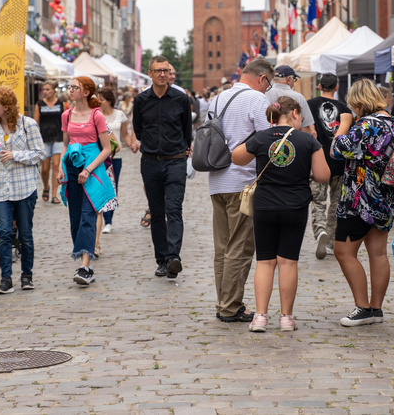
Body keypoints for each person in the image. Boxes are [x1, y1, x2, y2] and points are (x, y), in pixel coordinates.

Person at [232, 96, 330, 332]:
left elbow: (236, 157)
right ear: (295, 113)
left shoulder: (261, 137)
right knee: (288, 262)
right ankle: (286, 318)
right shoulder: (308, 140)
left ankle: (260, 317)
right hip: (294, 207)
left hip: (265, 206)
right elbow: (323, 175)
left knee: (264, 262)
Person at [206, 58, 273, 322]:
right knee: (241, 247)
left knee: (222, 247)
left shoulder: (218, 99)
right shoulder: (257, 100)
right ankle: (230, 307)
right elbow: (268, 138)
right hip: (243, 183)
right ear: (262, 79)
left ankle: (223, 301)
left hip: (217, 181)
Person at [332, 79, 394, 327]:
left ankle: (362, 307)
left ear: (359, 102)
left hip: (360, 198)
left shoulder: (365, 125)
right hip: (386, 196)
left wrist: (344, 124)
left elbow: (338, 150)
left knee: (343, 251)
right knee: (378, 253)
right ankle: (376, 308)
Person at [132, 56, 193, 279]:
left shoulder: (181, 99)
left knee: (174, 209)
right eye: (157, 71)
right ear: (150, 73)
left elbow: (187, 130)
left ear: (169, 73)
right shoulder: (141, 100)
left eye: (165, 70)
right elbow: (138, 130)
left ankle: (173, 257)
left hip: (176, 160)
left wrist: (185, 148)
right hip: (150, 162)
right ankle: (161, 260)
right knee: (157, 213)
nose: (162, 74)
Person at [57, 77, 116, 286]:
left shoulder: (96, 115)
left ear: (86, 92)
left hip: (92, 168)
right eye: (70, 87)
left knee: (88, 215)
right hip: (72, 167)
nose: (70, 90)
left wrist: (89, 170)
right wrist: (60, 168)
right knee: (74, 218)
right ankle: (83, 257)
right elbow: (65, 145)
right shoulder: (66, 115)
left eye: (75, 87)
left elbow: (107, 148)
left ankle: (85, 267)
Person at [0, 86, 46, 294]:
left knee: (25, 234)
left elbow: (40, 154)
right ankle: (6, 279)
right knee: (3, 232)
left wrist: (15, 155)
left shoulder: (27, 124)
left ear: (6, 107)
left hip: (24, 187)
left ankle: (27, 275)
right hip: (2, 188)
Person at [307, 73, 351, 259]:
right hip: (339, 162)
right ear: (336, 87)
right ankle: (332, 241)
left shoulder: (309, 106)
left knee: (318, 201)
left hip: (317, 162)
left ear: (319, 86)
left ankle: (320, 231)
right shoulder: (344, 109)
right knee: (336, 203)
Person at [98, 87, 130, 234]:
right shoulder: (96, 115)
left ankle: (110, 218)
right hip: (100, 157)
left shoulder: (120, 115)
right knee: (103, 186)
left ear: (109, 101)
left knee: (113, 188)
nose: (99, 101)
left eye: (101, 99)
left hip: (116, 157)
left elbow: (125, 135)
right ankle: (107, 221)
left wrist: (133, 145)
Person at [34, 80, 65, 204]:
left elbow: (64, 121)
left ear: (54, 90)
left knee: (56, 166)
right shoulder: (39, 105)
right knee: (45, 168)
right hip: (44, 139)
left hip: (58, 137)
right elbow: (36, 123)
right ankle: (46, 186)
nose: (45, 92)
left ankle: (54, 195)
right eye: (44, 90)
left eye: (48, 89)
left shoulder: (61, 104)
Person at [264, 65, 316, 137]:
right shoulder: (298, 97)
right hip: (293, 141)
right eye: (294, 79)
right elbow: (307, 128)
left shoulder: (264, 94)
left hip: (268, 140)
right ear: (288, 79)